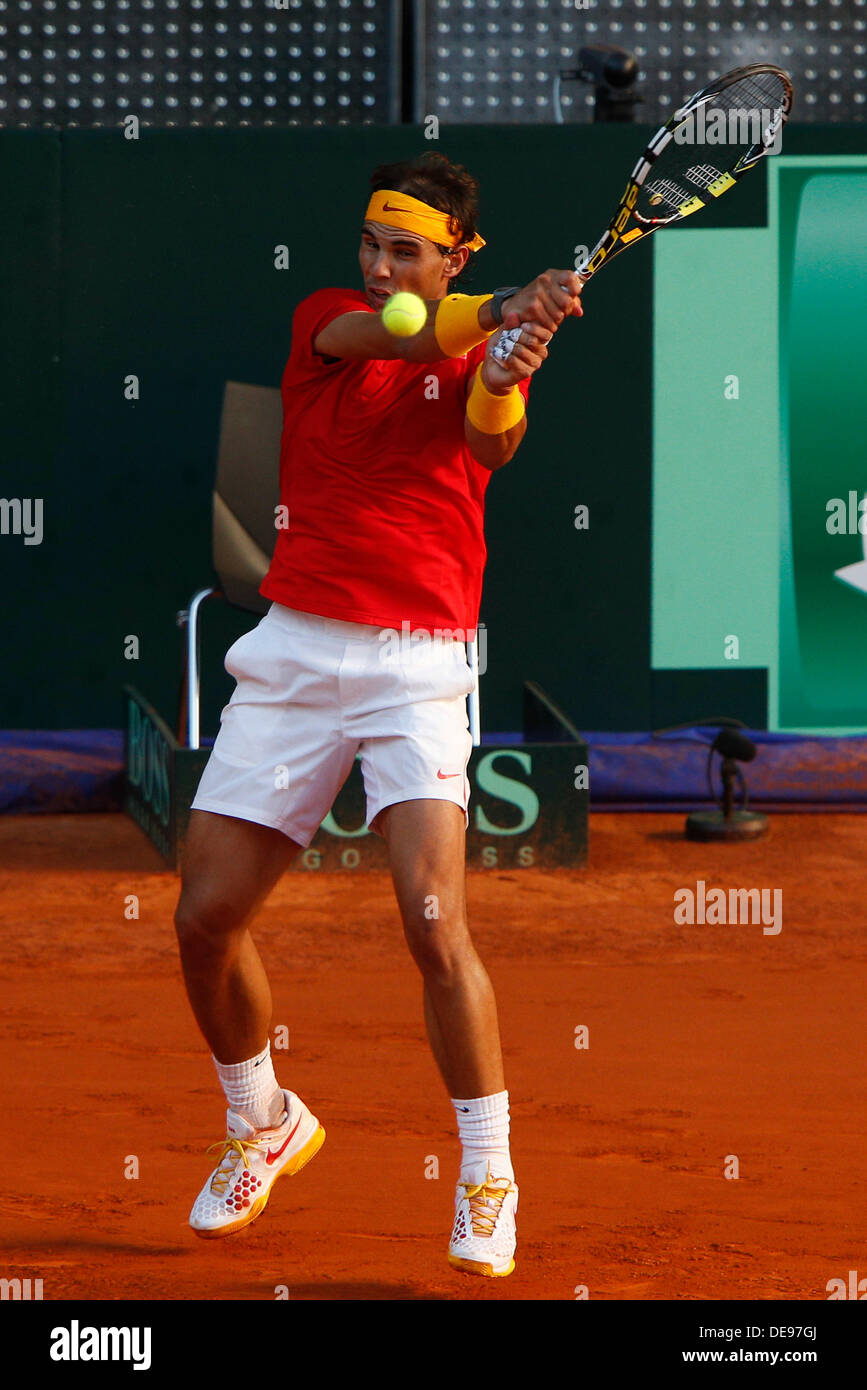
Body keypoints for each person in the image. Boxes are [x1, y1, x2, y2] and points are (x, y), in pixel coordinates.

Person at [174, 151, 584, 1279]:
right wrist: (496, 311)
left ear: (453, 252)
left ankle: (490, 1169)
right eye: (372, 243)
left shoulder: (468, 348)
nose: (380, 265)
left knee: (430, 920)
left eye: (406, 250)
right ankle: (262, 1119)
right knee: (204, 917)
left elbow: (492, 441)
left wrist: (505, 364)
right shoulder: (333, 320)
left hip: (419, 665)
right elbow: (403, 335)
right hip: (298, 648)